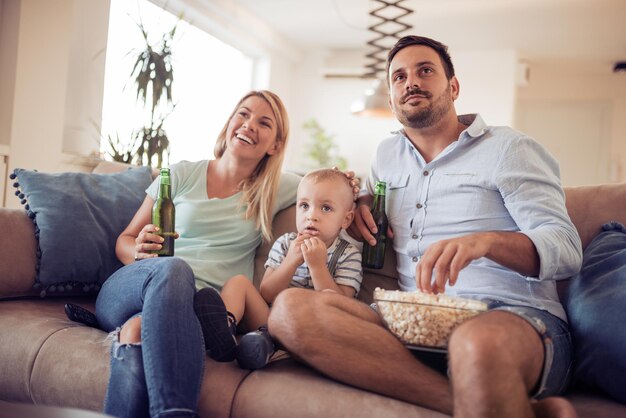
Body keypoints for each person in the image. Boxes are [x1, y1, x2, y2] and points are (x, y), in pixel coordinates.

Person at [268, 36, 583, 418]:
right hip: (411, 321)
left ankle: (486, 388)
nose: (411, 82)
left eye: (425, 70)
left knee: (475, 344)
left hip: (511, 317)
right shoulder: (386, 155)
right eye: (399, 77)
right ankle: (485, 403)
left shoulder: (509, 148)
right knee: (289, 311)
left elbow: (566, 249)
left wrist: (486, 242)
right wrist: (363, 200)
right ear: (391, 99)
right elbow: (359, 200)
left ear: (453, 87)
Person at [94, 90, 299, 418]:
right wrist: (139, 248)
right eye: (243, 114)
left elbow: (330, 189)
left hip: (194, 309)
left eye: (264, 122)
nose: (249, 125)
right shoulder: (180, 174)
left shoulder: (276, 190)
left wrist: (358, 198)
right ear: (230, 122)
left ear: (275, 144)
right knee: (174, 268)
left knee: (136, 332)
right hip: (134, 286)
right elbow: (125, 240)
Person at [194, 167, 362, 370]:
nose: (312, 216)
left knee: (267, 341)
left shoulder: (348, 254)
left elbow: (341, 308)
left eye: (325, 208)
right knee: (238, 282)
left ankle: (266, 348)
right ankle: (223, 331)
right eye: (304, 206)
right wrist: (291, 261)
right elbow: (267, 292)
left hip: (312, 331)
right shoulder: (286, 243)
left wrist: (317, 267)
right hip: (271, 321)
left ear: (346, 219)